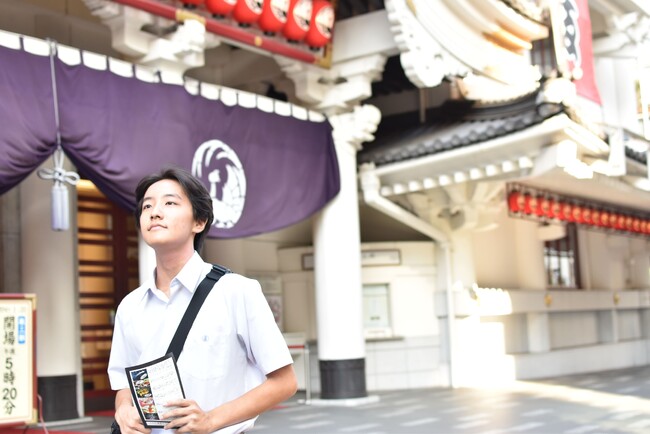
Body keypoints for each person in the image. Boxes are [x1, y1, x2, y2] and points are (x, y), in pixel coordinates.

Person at [107, 166, 297, 434]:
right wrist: (124, 410)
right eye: (147, 206)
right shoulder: (130, 306)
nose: (154, 212)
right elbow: (124, 385)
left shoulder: (236, 291)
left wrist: (210, 420)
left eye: (170, 203)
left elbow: (285, 382)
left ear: (199, 222)